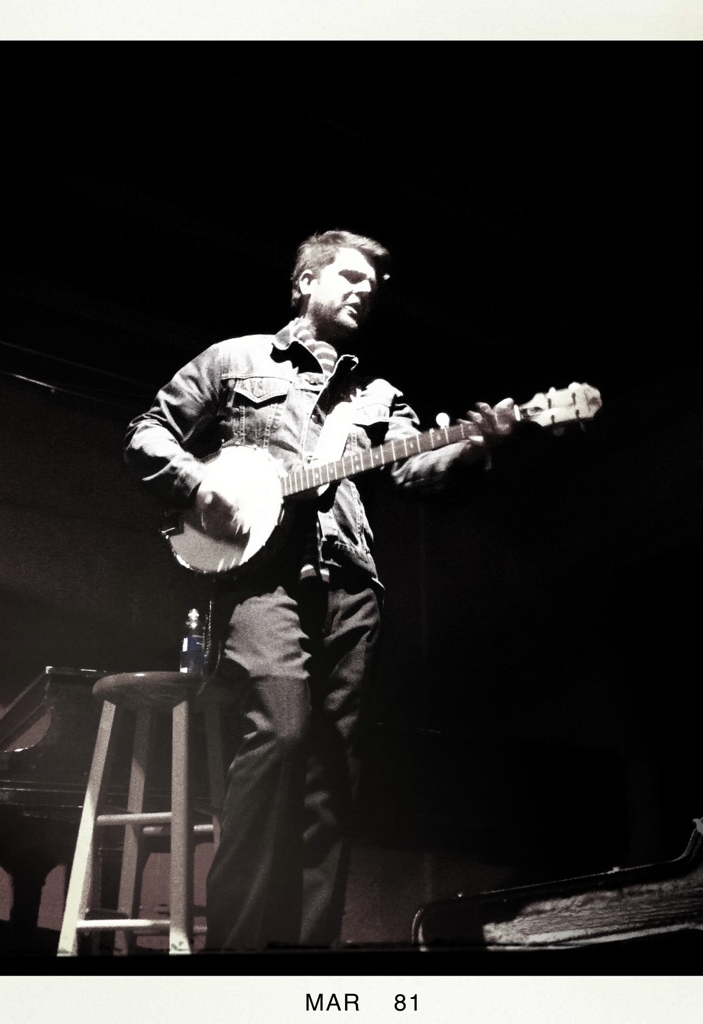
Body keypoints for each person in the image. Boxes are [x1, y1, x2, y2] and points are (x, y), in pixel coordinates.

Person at [123, 229, 515, 950]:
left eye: (377, 283)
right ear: (304, 282)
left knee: (334, 776)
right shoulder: (235, 358)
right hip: (259, 579)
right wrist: (198, 483)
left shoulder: (381, 397)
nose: (368, 288)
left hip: (351, 582)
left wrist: (473, 445)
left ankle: (308, 965)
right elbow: (149, 432)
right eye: (351, 275)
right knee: (281, 733)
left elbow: (416, 471)